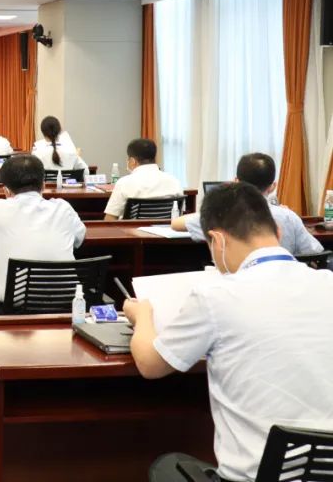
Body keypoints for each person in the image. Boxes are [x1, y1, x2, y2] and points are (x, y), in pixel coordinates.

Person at [125, 183, 333, 482]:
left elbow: (150, 364)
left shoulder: (216, 296)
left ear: (217, 240)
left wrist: (142, 317)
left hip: (253, 477)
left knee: (167, 466)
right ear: (278, 231)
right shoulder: (327, 282)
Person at [0, 154, 86, 301]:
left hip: (16, 308)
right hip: (68, 306)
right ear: (43, 185)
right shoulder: (63, 208)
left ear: (6, 191)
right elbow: (80, 238)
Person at [171, 153, 324, 257]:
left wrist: (207, 211)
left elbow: (176, 224)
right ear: (273, 186)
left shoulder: (221, 215)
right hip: (282, 289)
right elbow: (316, 253)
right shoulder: (289, 217)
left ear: (236, 182)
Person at [104, 138, 183, 220]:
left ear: (132, 161)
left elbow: (110, 219)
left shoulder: (124, 183)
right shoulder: (174, 181)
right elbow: (180, 214)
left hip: (133, 228)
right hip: (165, 228)